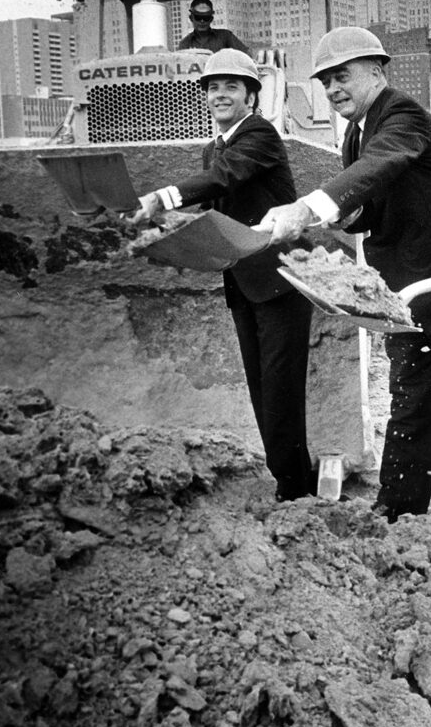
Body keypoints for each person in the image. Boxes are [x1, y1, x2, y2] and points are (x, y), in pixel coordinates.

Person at [259, 27, 431, 553]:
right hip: (407, 291)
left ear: (377, 70)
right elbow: (370, 199)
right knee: (411, 399)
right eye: (325, 81)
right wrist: (338, 219)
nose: (332, 89)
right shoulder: (353, 133)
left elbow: (385, 163)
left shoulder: (401, 115)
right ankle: (398, 514)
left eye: (341, 76)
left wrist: (310, 207)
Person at [131, 49, 313, 502]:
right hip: (242, 282)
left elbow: (224, 179)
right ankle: (284, 480)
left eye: (231, 86)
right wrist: (166, 234)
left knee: (281, 389)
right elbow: (216, 205)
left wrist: (163, 198)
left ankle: (296, 490)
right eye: (212, 88)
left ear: (251, 95)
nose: (220, 95)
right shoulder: (213, 147)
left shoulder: (260, 134)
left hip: (279, 281)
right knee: (259, 385)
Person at [178, 0, 251, 54]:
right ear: (191, 18)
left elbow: (245, 56)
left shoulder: (226, 36)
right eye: (198, 17)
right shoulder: (185, 44)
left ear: (211, 19)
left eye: (206, 17)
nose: (202, 21)